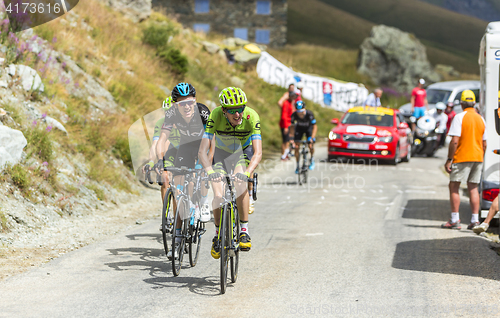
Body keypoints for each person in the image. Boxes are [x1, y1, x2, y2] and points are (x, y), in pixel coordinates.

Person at [198, 87, 262, 259]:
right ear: (224, 110)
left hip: (243, 151)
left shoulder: (251, 116)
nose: (237, 114)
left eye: (240, 109)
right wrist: (210, 171)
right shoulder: (215, 115)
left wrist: (248, 172)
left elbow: (258, 152)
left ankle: (244, 231)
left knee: (241, 183)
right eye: (232, 111)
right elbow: (202, 151)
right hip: (222, 152)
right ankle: (218, 235)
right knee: (218, 195)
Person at [156, 82, 212, 259]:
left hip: (204, 144)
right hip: (186, 146)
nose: (186, 106)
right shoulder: (172, 114)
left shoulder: (203, 112)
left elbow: (213, 139)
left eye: (189, 102)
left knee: (201, 175)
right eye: (182, 103)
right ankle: (178, 239)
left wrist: (208, 163)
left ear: (195, 100)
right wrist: (159, 160)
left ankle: (202, 202)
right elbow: (162, 139)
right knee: (180, 191)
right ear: (175, 105)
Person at [442, 90, 487, 230]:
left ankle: (455, 219)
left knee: (454, 186)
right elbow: (484, 143)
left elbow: (454, 141)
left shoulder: (459, 117)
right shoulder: (481, 118)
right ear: (474, 103)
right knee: (473, 187)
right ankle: (475, 220)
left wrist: (449, 159)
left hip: (462, 156)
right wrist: (481, 156)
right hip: (478, 157)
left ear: (461, 103)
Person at [289, 100, 317, 172]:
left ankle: (312, 158)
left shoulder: (309, 114)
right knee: (297, 146)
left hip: (308, 129)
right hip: (299, 130)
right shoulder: (294, 115)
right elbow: (292, 128)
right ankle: (298, 164)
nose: (300, 114)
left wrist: (312, 137)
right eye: (298, 112)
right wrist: (292, 138)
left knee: (310, 145)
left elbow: (314, 127)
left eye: (302, 111)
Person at [278, 91, 296, 160]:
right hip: (285, 124)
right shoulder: (286, 103)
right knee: (285, 140)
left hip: (289, 123)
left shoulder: (291, 103)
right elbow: (284, 116)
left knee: (288, 140)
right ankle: (283, 155)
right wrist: (285, 127)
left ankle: (286, 154)